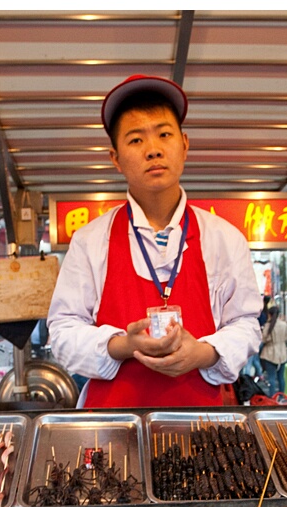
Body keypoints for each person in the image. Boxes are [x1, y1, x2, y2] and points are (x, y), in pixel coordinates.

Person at [47, 74, 262, 408]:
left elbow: (246, 325)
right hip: (110, 431)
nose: (153, 150)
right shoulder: (90, 241)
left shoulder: (224, 239)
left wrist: (203, 353)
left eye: (164, 134)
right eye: (135, 140)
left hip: (200, 429)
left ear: (185, 144)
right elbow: (61, 332)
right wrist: (122, 345)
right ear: (115, 158)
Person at [259, 306, 287, 397]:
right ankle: (281, 396)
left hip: (269, 353)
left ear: (270, 315)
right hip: (282, 353)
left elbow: (264, 339)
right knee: (281, 378)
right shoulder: (284, 325)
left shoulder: (268, 326)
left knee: (271, 377)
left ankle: (272, 397)